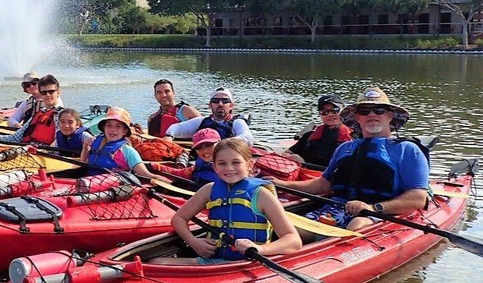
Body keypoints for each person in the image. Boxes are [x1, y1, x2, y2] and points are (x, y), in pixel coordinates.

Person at [269, 87, 429, 237]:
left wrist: (374, 208)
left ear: (390, 116)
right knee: (280, 227)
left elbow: (418, 198)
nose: (372, 115)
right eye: (365, 111)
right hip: (336, 209)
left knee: (357, 224)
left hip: (378, 213)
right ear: (357, 117)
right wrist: (281, 184)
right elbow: (323, 184)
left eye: (379, 110)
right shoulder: (344, 148)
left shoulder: (408, 150)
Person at [156, 138, 302, 265]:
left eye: (236, 162)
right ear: (214, 167)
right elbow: (179, 218)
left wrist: (260, 249)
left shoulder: (262, 195)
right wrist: (194, 242)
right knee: (156, 263)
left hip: (249, 263)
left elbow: (293, 240)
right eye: (222, 163)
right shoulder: (209, 190)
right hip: (212, 261)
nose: (229, 168)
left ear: (249, 165)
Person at [81, 107, 168, 182]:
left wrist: (156, 178)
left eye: (118, 126)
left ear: (125, 131)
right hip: (89, 180)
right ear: (104, 128)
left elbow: (144, 173)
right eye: (109, 125)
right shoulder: (95, 142)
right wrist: (85, 148)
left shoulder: (128, 151)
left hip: (112, 184)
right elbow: (83, 162)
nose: (113, 129)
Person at [282, 94, 354, 166]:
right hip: (306, 170)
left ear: (344, 111)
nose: (330, 115)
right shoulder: (309, 136)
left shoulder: (354, 137)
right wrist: (295, 159)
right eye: (324, 112)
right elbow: (287, 153)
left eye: (335, 110)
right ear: (320, 114)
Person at [0, 75, 63, 145]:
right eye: (44, 92)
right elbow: (14, 138)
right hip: (29, 148)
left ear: (58, 92)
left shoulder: (61, 115)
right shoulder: (38, 114)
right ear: (41, 93)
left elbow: (60, 142)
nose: (48, 95)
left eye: (51, 91)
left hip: (46, 151)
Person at [164, 88, 253, 145]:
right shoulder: (201, 121)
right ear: (210, 105)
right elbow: (176, 128)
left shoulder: (237, 122)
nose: (220, 104)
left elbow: (248, 138)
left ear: (231, 106)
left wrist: (222, 143)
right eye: (215, 101)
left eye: (225, 101)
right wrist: (169, 136)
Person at [149, 128, 221, 187]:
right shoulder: (200, 165)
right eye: (199, 147)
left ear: (220, 143)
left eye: (208, 144)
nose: (204, 150)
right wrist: (156, 166)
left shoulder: (226, 167)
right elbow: (180, 173)